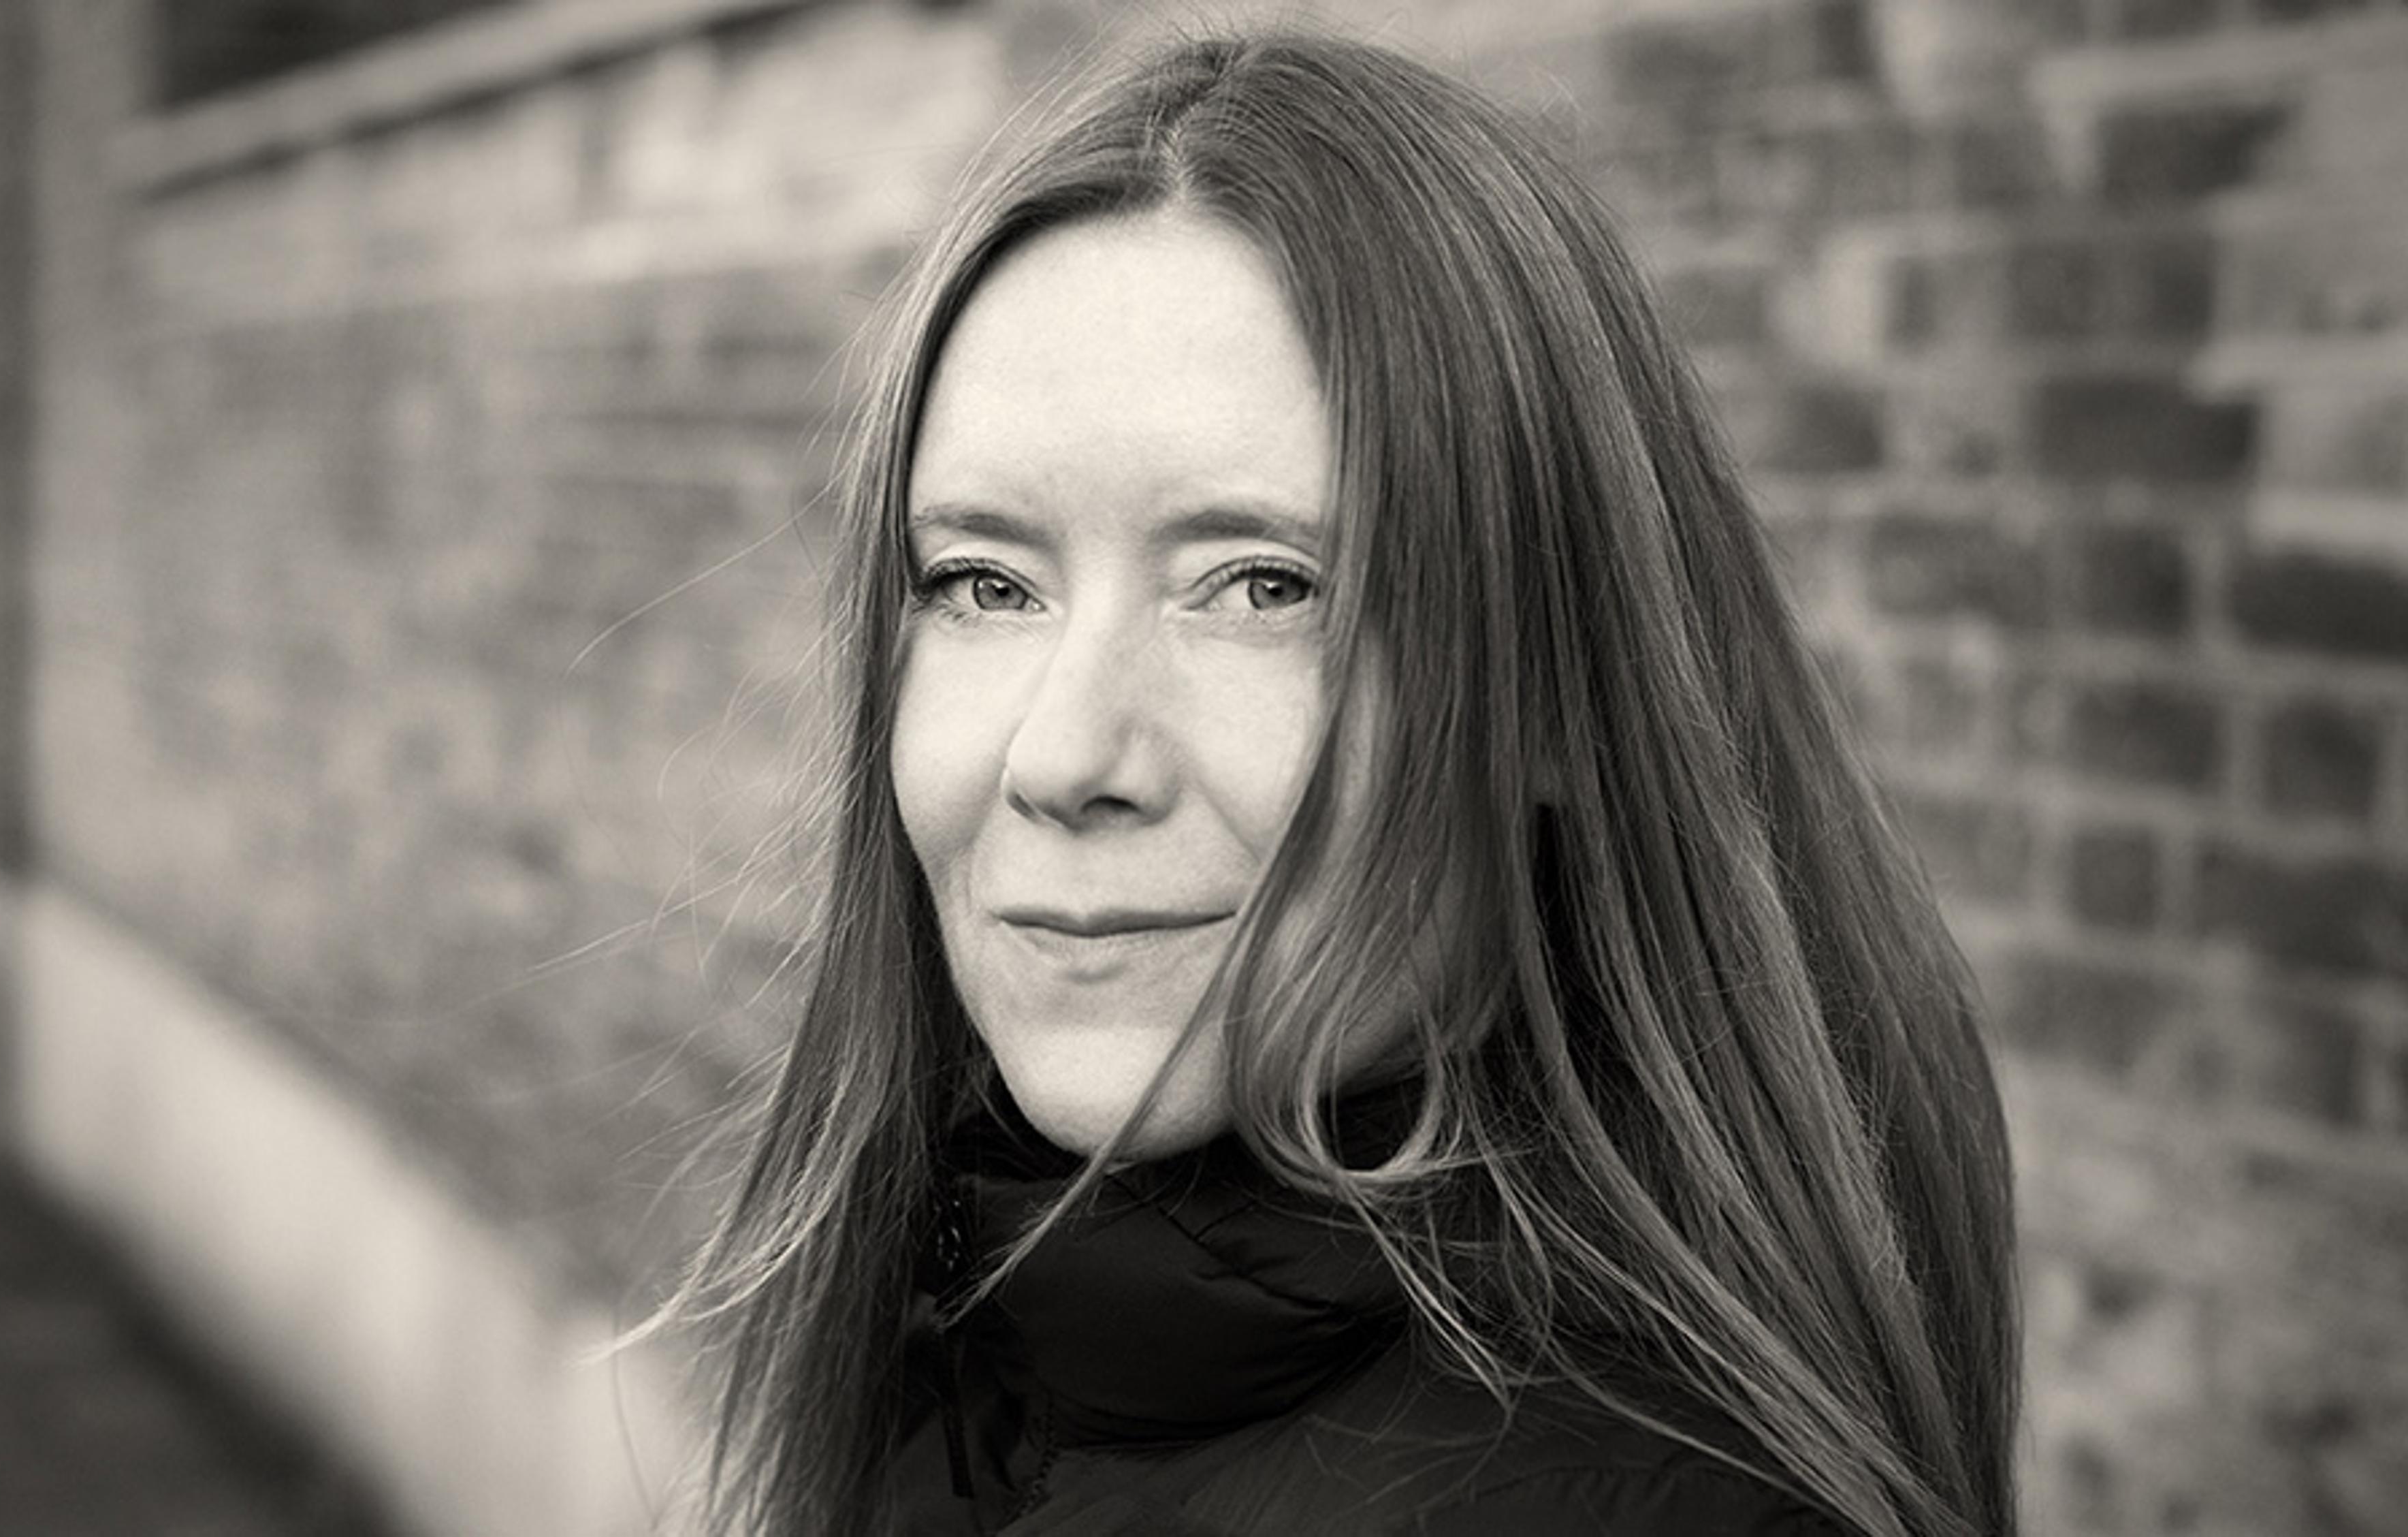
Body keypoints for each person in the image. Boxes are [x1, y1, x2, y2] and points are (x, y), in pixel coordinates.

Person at [671, 27, 2019, 1537]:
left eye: (1261, 585)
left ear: (1556, 699)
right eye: (986, 583)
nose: (1063, 758)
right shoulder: (992, 1332)